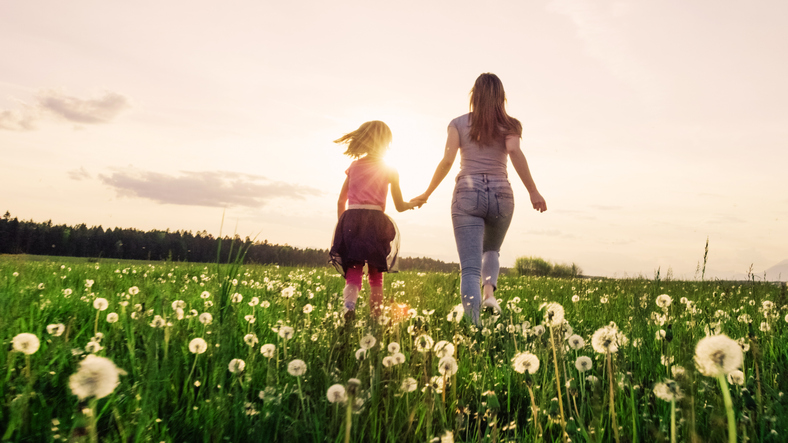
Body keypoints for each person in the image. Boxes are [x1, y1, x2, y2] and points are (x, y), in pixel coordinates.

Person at [411, 73, 547, 326]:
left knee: (470, 268)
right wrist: (533, 191)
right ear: (501, 97)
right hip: (501, 193)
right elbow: (515, 151)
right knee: (492, 250)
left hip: (468, 192)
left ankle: (475, 328)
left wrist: (427, 193)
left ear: (474, 95)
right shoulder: (511, 124)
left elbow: (448, 161)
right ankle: (489, 295)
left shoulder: (458, 124)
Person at [329, 120, 415, 323]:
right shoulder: (390, 169)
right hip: (376, 221)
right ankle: (376, 317)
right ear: (386, 143)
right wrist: (413, 203)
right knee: (376, 274)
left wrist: (343, 225)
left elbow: (341, 200)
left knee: (353, 270)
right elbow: (400, 205)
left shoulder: (354, 166)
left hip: (351, 219)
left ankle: (349, 307)